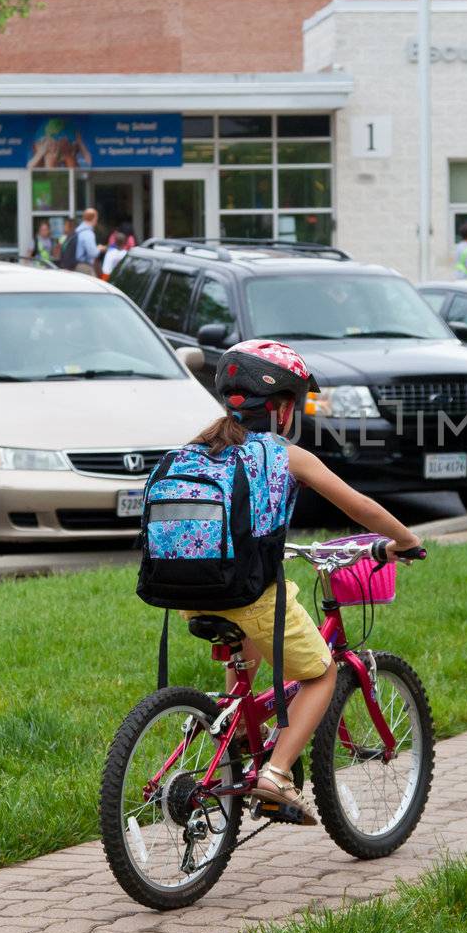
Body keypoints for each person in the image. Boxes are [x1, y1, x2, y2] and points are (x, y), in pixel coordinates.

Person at [180, 339, 423, 824]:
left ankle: (240, 732)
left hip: (189, 590)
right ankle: (276, 775)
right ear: (283, 408)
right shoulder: (285, 455)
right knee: (321, 675)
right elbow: (359, 507)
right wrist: (406, 540)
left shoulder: (196, 449)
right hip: (249, 594)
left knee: (247, 645)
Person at [72, 208, 100, 275]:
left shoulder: (79, 230)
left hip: (77, 266)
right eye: (96, 218)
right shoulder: (87, 233)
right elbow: (93, 253)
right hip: (85, 267)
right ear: (93, 218)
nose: (97, 221)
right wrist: (99, 249)